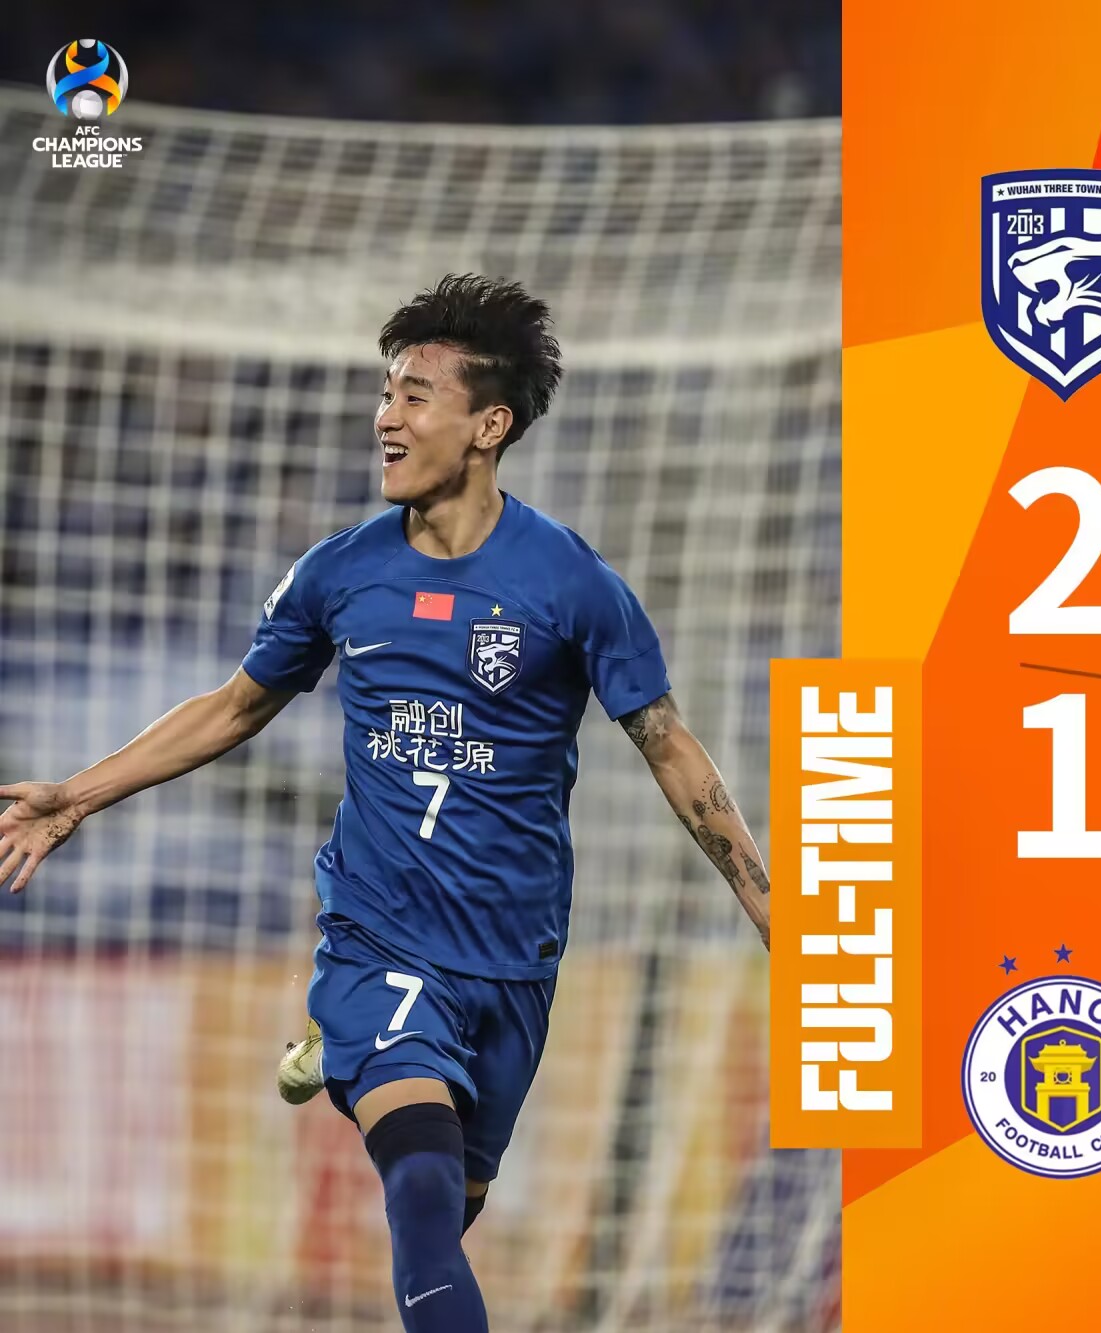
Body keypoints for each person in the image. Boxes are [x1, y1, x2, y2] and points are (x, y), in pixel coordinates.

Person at [0, 273, 771, 1333]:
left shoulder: (571, 586)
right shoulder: (339, 575)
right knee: (418, 1195)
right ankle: (352, 1026)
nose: (386, 418)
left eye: (415, 395)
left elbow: (669, 748)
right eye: (386, 393)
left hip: (512, 958)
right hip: (379, 938)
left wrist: (773, 910)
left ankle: (339, 1050)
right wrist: (76, 797)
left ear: (489, 426)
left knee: (454, 1204)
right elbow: (235, 705)